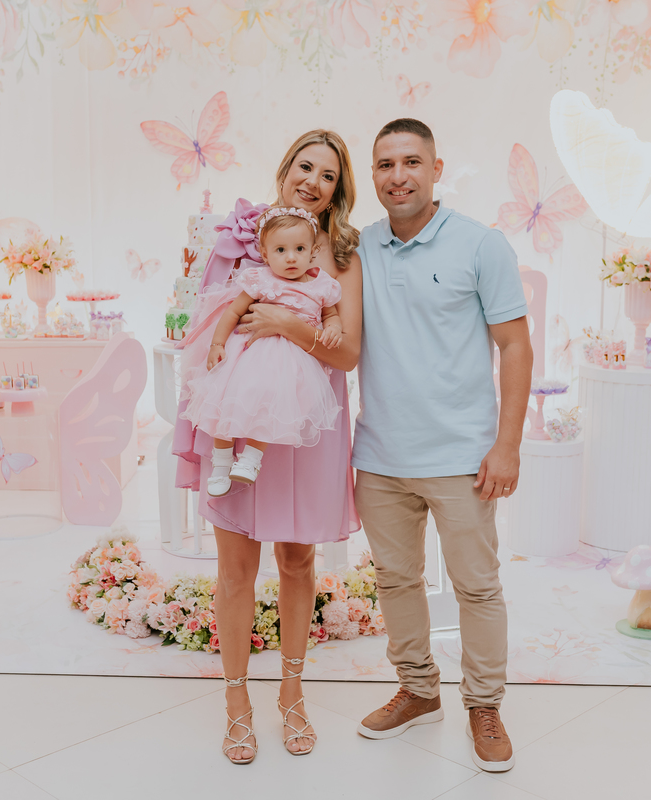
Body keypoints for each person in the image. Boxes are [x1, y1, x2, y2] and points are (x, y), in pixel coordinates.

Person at [171, 130, 363, 764]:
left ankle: (291, 693)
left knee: (298, 563)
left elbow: (350, 351)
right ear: (284, 170)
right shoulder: (239, 242)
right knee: (234, 570)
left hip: (309, 429)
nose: (313, 180)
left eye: (328, 175)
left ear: (339, 189)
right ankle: (235, 703)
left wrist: (288, 323)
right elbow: (206, 332)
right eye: (305, 166)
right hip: (241, 419)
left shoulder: (341, 256)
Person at [352, 118, 533, 773]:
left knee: (476, 588)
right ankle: (418, 690)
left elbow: (515, 346)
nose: (397, 175)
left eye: (410, 162)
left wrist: (506, 446)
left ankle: (484, 705)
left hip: (462, 458)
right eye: (384, 165)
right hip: (379, 456)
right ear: (371, 175)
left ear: (435, 168)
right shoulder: (358, 249)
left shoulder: (480, 245)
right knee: (395, 580)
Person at [180, 207, 344, 497]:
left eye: (299, 249)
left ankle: (251, 459)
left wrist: (332, 327)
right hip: (249, 353)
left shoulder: (321, 286)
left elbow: (330, 315)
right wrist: (217, 344)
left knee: (274, 408)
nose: (291, 257)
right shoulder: (261, 279)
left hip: (292, 362)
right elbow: (232, 312)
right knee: (226, 400)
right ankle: (221, 463)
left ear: (313, 252)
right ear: (266, 254)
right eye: (281, 250)